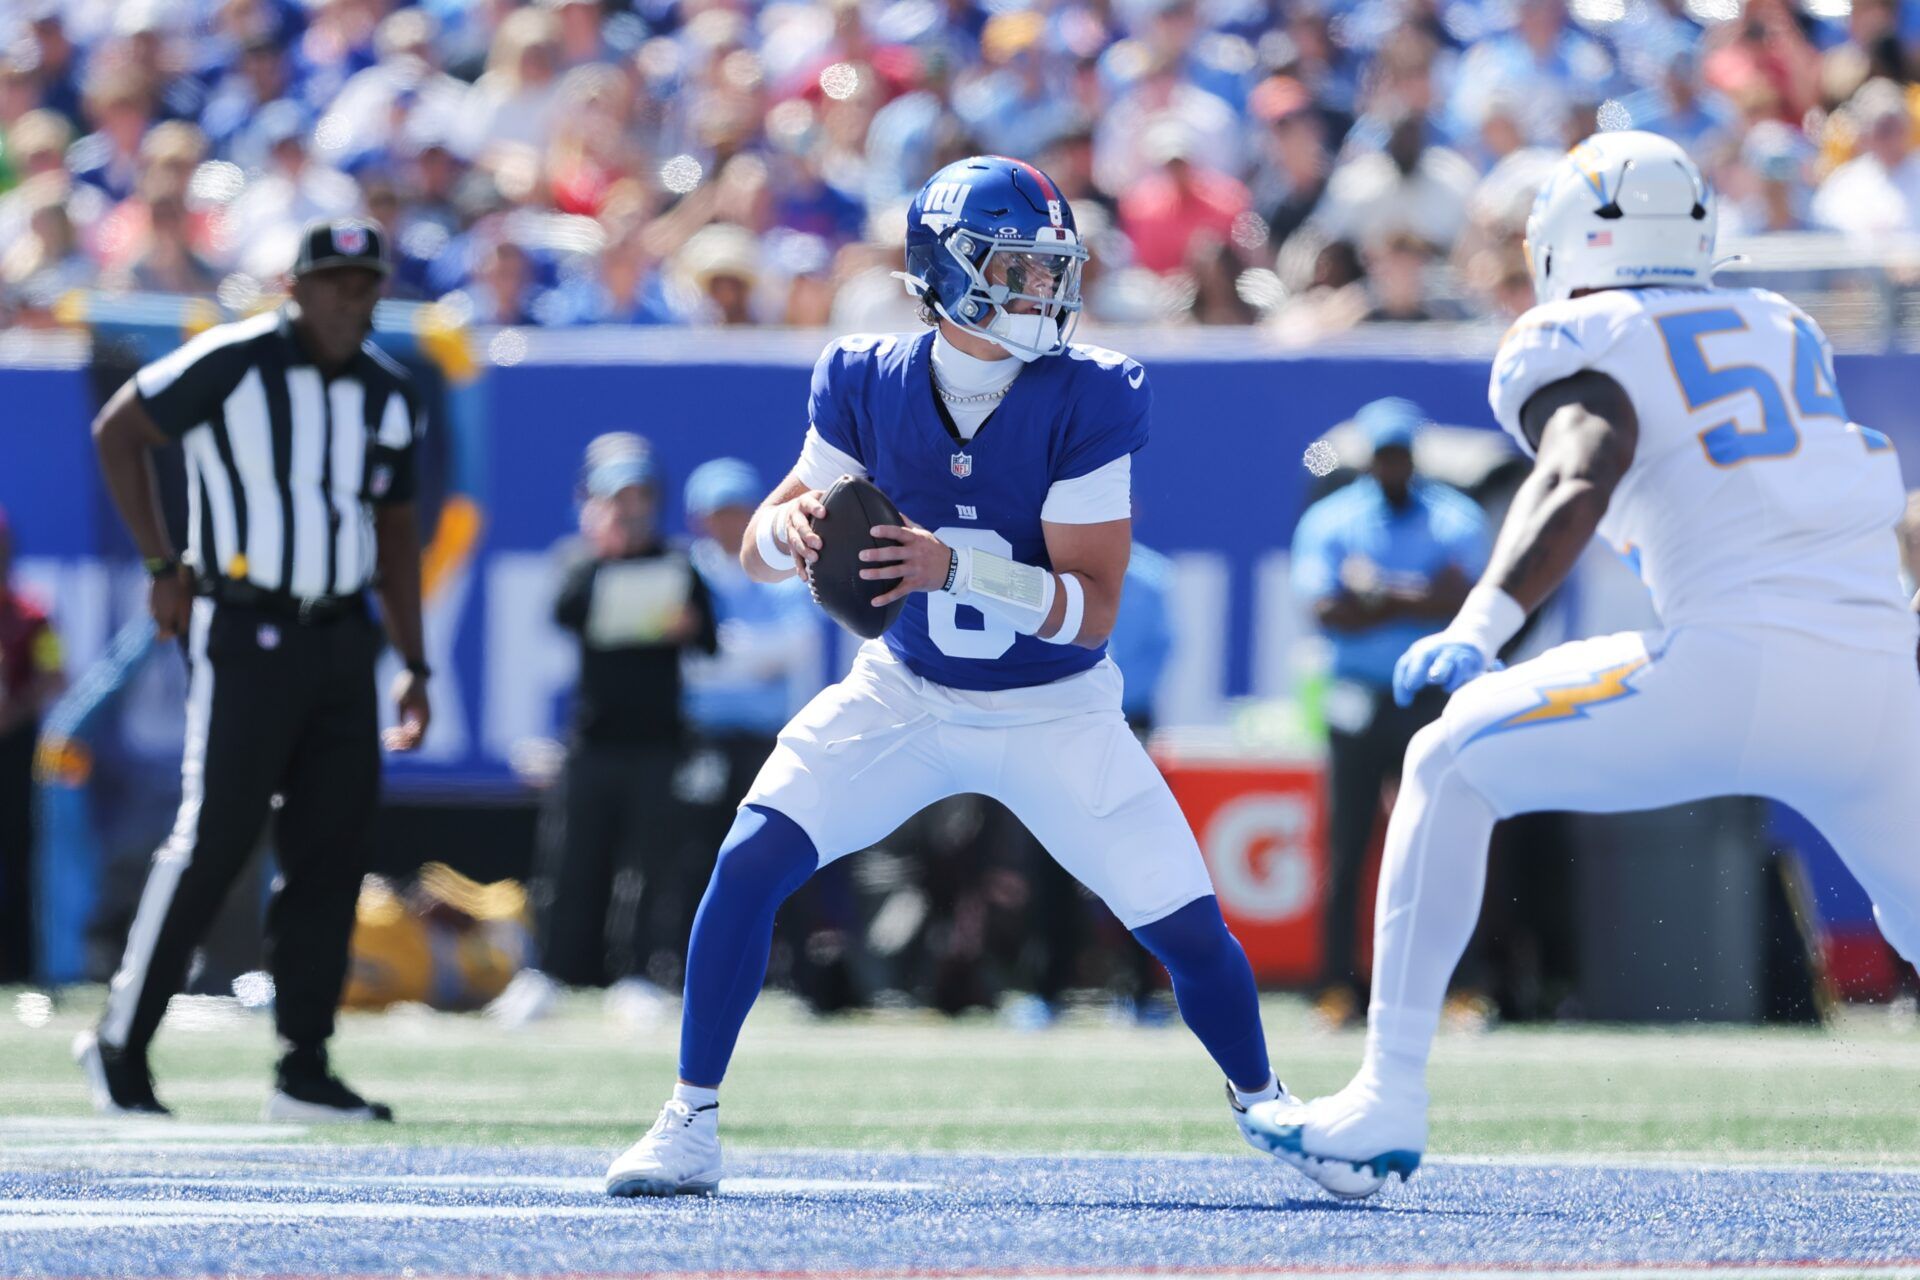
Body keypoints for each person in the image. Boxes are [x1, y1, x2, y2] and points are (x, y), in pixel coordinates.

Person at [1244, 132, 1920, 1199]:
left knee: (1446, 763)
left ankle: (1387, 1094)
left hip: (1730, 664)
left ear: (1567, 239)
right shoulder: (1784, 325)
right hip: (1881, 677)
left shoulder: (1578, 332)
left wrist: (1482, 618)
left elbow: (1577, 472)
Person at [604, 155, 1290, 1198]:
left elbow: (1092, 606)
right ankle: (689, 1117)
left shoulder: (1089, 393)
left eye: (1049, 268)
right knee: (748, 861)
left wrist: (951, 563)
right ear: (946, 272)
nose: (1041, 291)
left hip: (1056, 705)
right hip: (910, 692)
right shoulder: (866, 374)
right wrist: (782, 529)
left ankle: (1272, 1107)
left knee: (1186, 925)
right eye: (1015, 269)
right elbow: (759, 543)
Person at [78, 217, 431, 1121]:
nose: (352, 300)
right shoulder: (232, 362)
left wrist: (415, 661)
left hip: (343, 637)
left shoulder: (389, 393)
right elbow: (120, 431)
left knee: (330, 848)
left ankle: (302, 1065)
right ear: (295, 287)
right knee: (216, 840)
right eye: (335, 282)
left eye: (366, 284)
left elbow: (394, 532)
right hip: (246, 627)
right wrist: (164, 564)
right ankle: (121, 1041)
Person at [486, 440, 717, 1029]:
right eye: (620, 498)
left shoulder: (679, 562)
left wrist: (688, 625)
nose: (632, 508)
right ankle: (548, 976)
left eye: (640, 497)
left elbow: (710, 637)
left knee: (651, 867)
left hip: (660, 742)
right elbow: (563, 614)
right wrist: (604, 553)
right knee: (570, 865)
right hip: (593, 742)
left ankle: (641, 977)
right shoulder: (580, 561)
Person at [1289, 398, 1488, 1030]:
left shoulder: (1456, 515)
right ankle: (1338, 990)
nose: (1394, 466)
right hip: (1359, 700)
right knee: (1347, 849)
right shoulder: (1332, 518)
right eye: (1384, 455)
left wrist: (1375, 590)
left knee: (1441, 845)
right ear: (1369, 460)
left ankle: (1459, 988)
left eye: (1403, 454)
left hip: (1431, 697)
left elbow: (1461, 604)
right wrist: (1417, 595)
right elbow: (1327, 610)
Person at [0, 505, 66, 982]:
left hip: (13, 748)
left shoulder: (32, 613)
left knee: (17, 854)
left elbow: (55, 676)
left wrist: (15, 709)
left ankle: (17, 966)